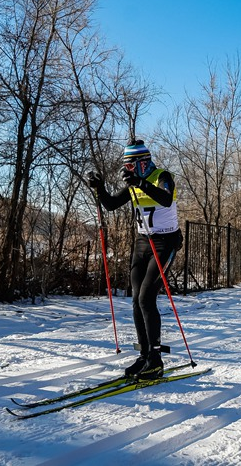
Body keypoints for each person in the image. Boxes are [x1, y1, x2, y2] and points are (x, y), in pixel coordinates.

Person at [86, 140, 183, 380]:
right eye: (126, 167)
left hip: (165, 242)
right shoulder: (132, 184)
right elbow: (110, 205)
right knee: (136, 300)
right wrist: (98, 189)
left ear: (142, 163)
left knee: (146, 298)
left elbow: (166, 199)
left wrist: (139, 182)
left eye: (130, 166)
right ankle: (145, 355)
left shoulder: (163, 176)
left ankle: (156, 361)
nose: (127, 171)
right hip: (142, 243)